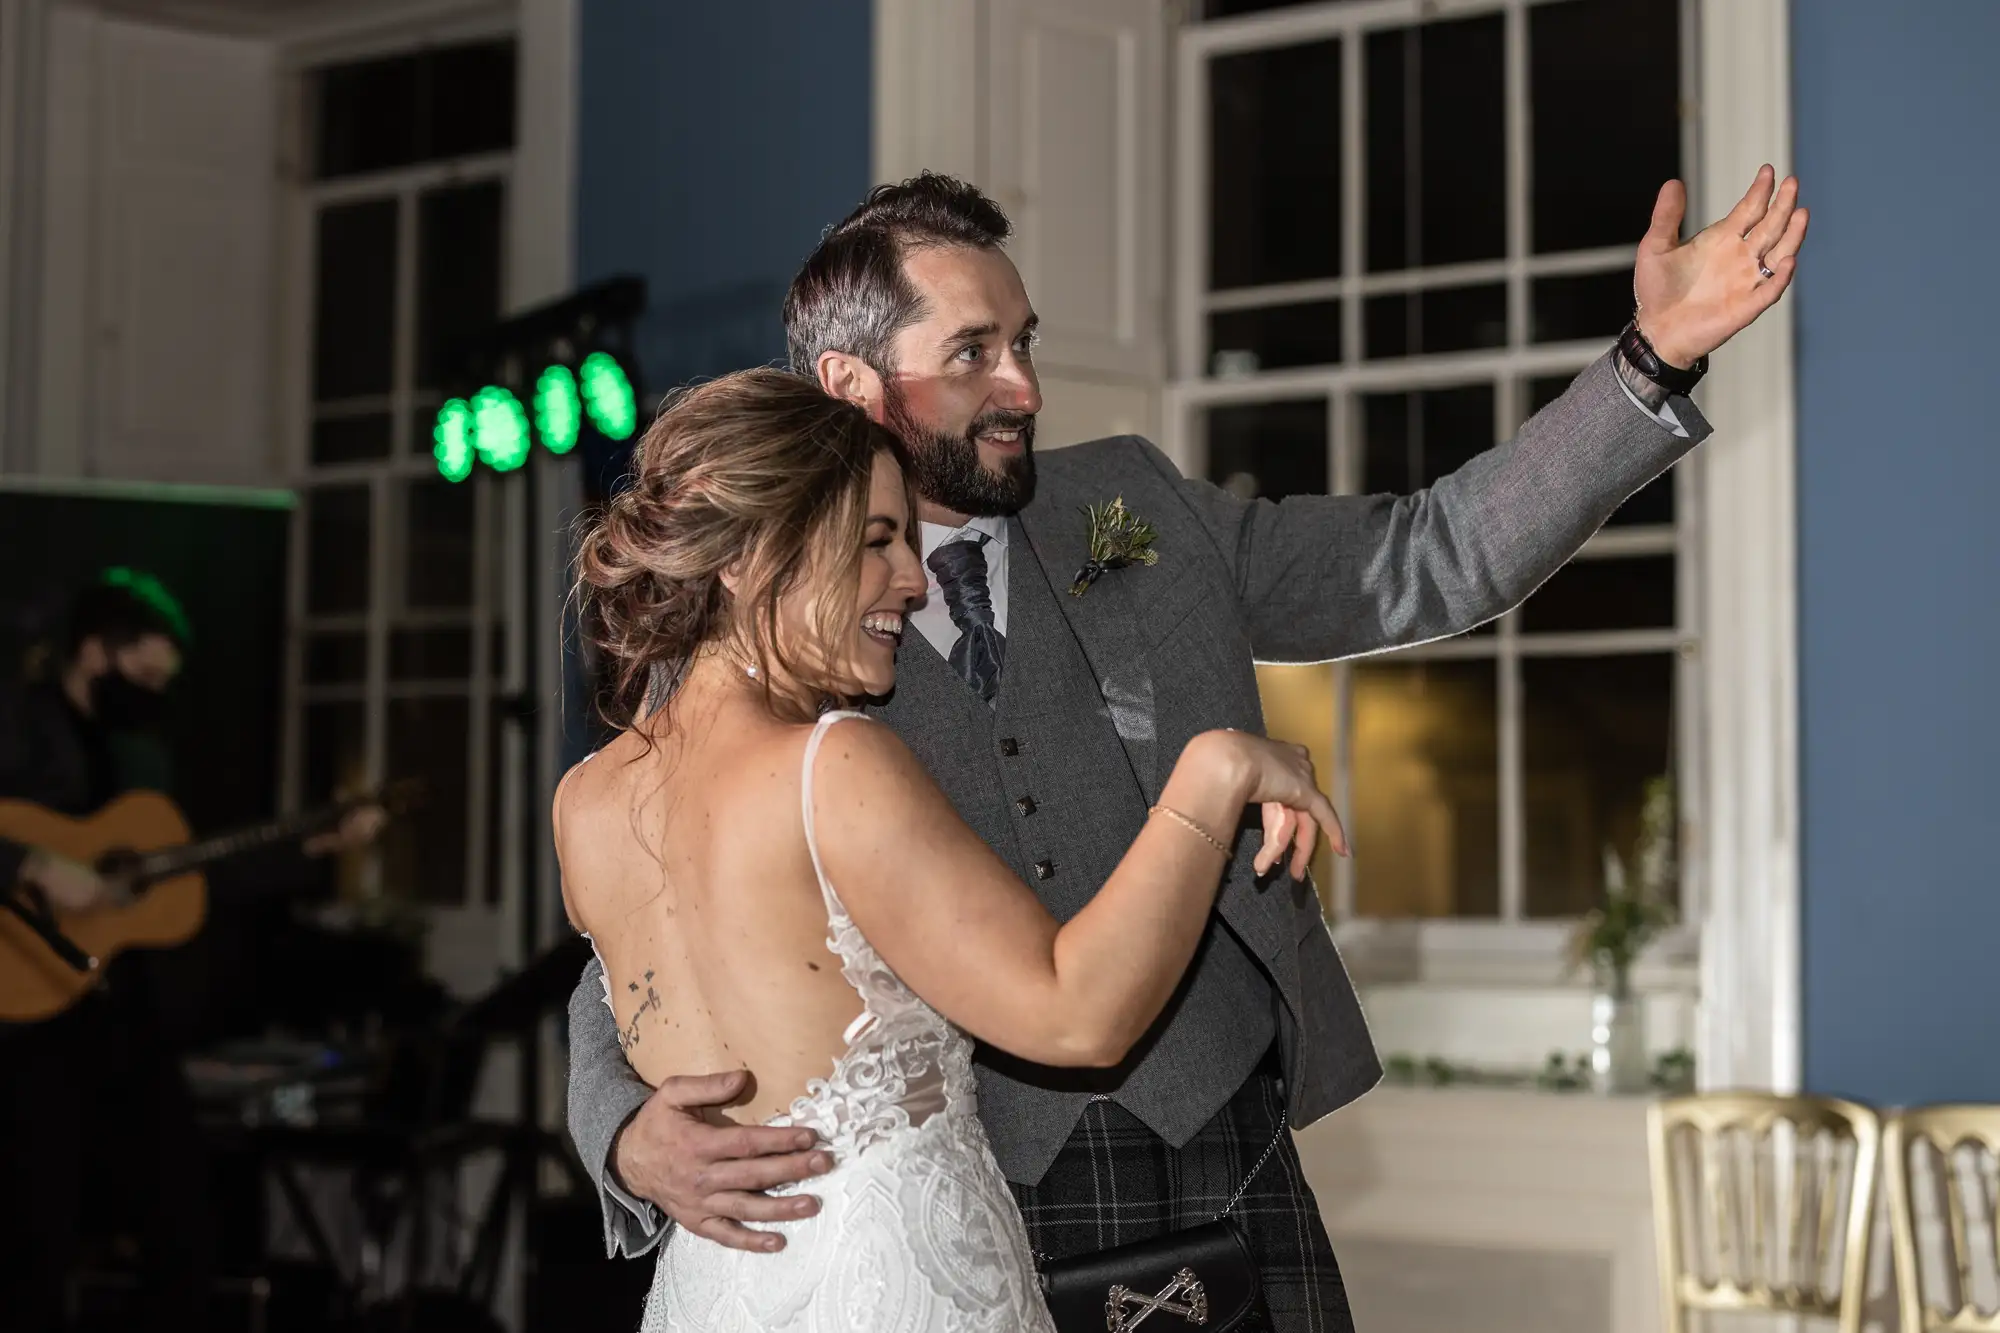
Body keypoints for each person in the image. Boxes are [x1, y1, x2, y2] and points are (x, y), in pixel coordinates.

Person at [566, 168, 1807, 1330]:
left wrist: (1651, 358)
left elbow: (1423, 556)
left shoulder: (1129, 506)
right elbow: (659, 903)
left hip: (1223, 1137)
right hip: (969, 1183)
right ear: (849, 383)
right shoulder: (763, 626)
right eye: (972, 355)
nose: (1024, 388)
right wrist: (622, 1127)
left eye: (1024, 341)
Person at [558, 368, 1343, 1329]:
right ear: (752, 555)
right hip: (899, 1282)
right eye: (877, 541)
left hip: (719, 1289)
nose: (913, 579)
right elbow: (1076, 1012)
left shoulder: (584, 801)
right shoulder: (833, 765)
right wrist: (1211, 775)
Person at [0, 574, 380, 1333]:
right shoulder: (17, 728)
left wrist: (307, 849)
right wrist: (32, 865)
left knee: (186, 1233)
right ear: (93, 652)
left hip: (123, 1022)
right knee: (32, 1245)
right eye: (142, 675)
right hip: (31, 1024)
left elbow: (180, 877)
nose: (152, 694)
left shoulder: (142, 762)